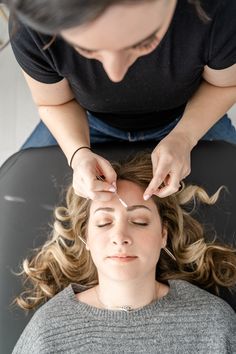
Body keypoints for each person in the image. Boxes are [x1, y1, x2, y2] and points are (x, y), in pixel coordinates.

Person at [4, 0, 236, 201]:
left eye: (144, 42)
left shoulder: (220, 11)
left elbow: (225, 84)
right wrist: (77, 154)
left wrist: (184, 137)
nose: (116, 75)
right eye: (87, 50)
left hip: (188, 113)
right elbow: (54, 103)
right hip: (84, 120)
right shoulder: (32, 26)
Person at [12, 153, 236, 353]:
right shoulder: (48, 331)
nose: (120, 236)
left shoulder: (213, 323)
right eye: (103, 222)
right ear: (86, 238)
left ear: (163, 235)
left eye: (139, 221)